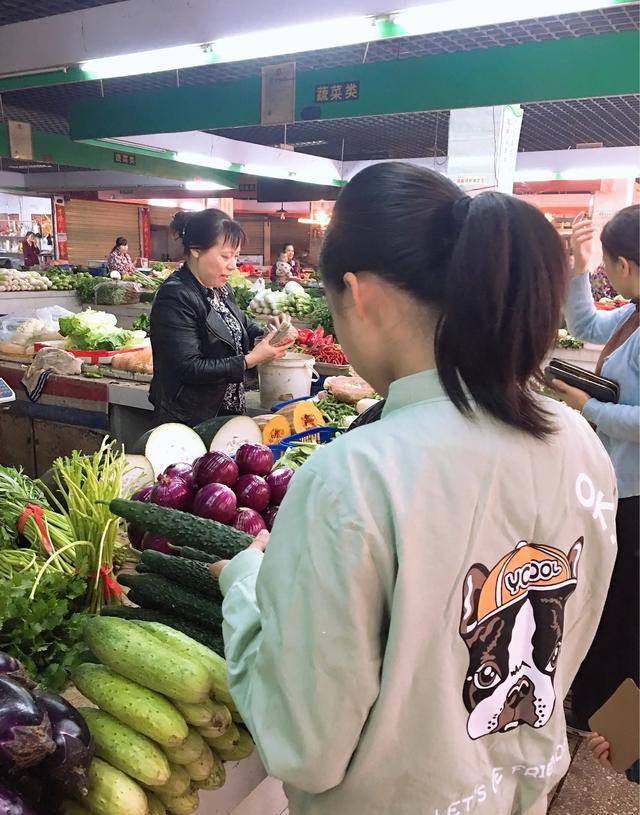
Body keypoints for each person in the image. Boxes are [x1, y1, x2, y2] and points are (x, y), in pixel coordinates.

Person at [210, 163, 618, 815]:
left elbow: (303, 744)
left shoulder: (354, 476)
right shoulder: (579, 442)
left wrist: (244, 589)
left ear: (359, 294)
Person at [553, 207, 639, 730]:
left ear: (627, 264)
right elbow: (584, 323)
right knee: (610, 599)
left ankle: (609, 722)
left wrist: (590, 408)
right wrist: (579, 266)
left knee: (622, 608)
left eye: (608, 265)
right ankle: (596, 710)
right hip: (620, 487)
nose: (606, 272)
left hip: (635, 496)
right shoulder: (634, 312)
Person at [150, 209, 291, 427]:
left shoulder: (221, 289)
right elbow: (189, 367)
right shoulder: (175, 296)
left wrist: (270, 331)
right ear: (196, 250)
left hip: (227, 414)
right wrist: (250, 359)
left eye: (236, 256)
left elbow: (239, 326)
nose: (233, 265)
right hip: (191, 419)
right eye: (225, 256)